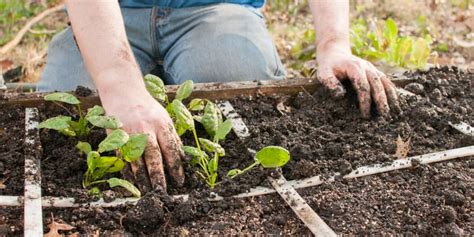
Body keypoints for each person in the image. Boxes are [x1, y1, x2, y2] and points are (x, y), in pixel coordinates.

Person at [38, 0, 400, 192]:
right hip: (110, 13)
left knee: (238, 89)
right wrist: (119, 85)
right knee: (64, 117)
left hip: (220, 9)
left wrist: (334, 45)